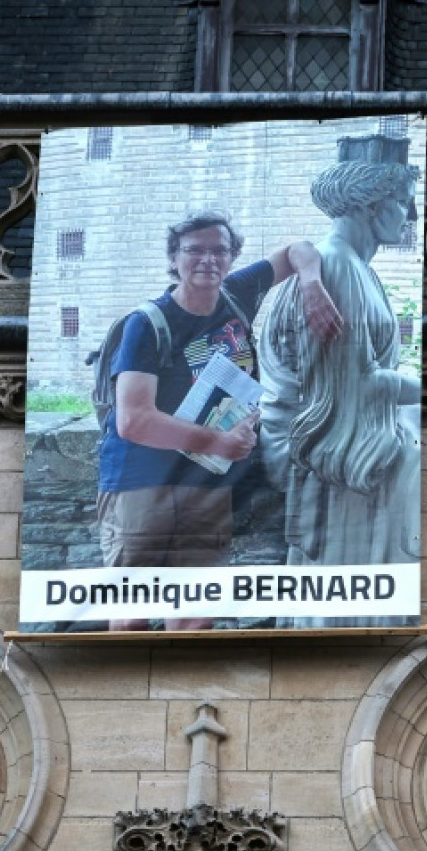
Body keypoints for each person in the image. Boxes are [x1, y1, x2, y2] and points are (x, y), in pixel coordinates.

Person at [97, 211, 337, 628]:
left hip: (206, 484)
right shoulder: (146, 323)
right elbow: (133, 421)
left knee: (194, 616)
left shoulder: (237, 294)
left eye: (219, 250)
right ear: (174, 259)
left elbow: (300, 250)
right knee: (132, 615)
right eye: (194, 250)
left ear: (231, 257)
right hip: (142, 482)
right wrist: (218, 442)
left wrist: (311, 285)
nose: (208, 259)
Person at [258, 135, 421, 578]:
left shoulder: (353, 266)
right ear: (370, 203)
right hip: (327, 449)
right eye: (403, 201)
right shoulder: (337, 267)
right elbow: (353, 387)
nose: (412, 216)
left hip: (346, 428)